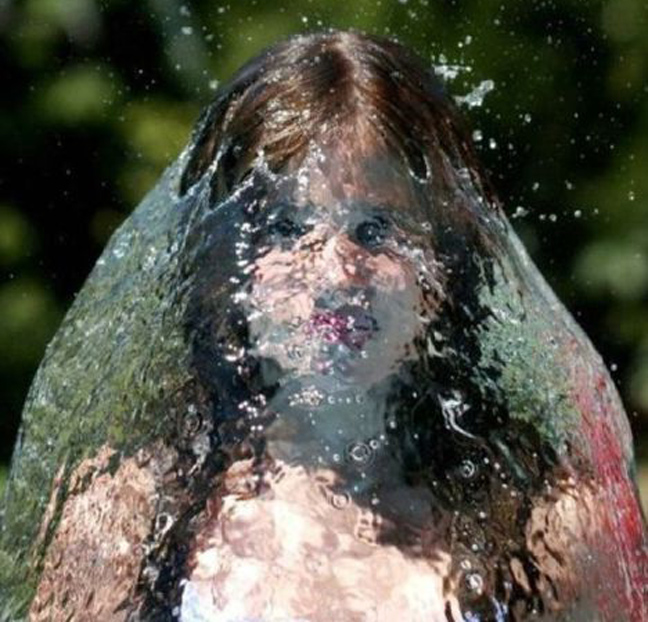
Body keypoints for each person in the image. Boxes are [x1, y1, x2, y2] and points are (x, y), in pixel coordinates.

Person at [9, 31, 647, 621]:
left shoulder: (548, 522)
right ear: (224, 265)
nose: (336, 275)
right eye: (286, 228)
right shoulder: (131, 514)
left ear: (444, 264)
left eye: (375, 229)